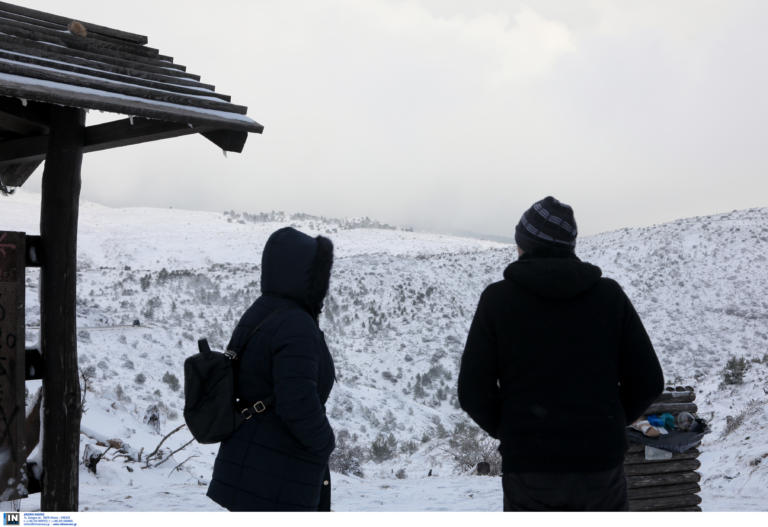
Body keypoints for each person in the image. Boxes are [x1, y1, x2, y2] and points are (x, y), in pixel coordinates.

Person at [457, 196, 664, 511]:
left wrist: (513, 429)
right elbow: (648, 381)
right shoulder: (609, 298)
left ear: (524, 244)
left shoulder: (497, 301)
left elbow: (472, 392)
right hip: (600, 465)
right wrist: (608, 420)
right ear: (569, 245)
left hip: (529, 468)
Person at [207, 227, 336, 511]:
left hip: (250, 469)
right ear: (307, 277)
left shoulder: (260, 311)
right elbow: (297, 402)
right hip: (278, 477)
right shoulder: (296, 324)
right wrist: (325, 441)